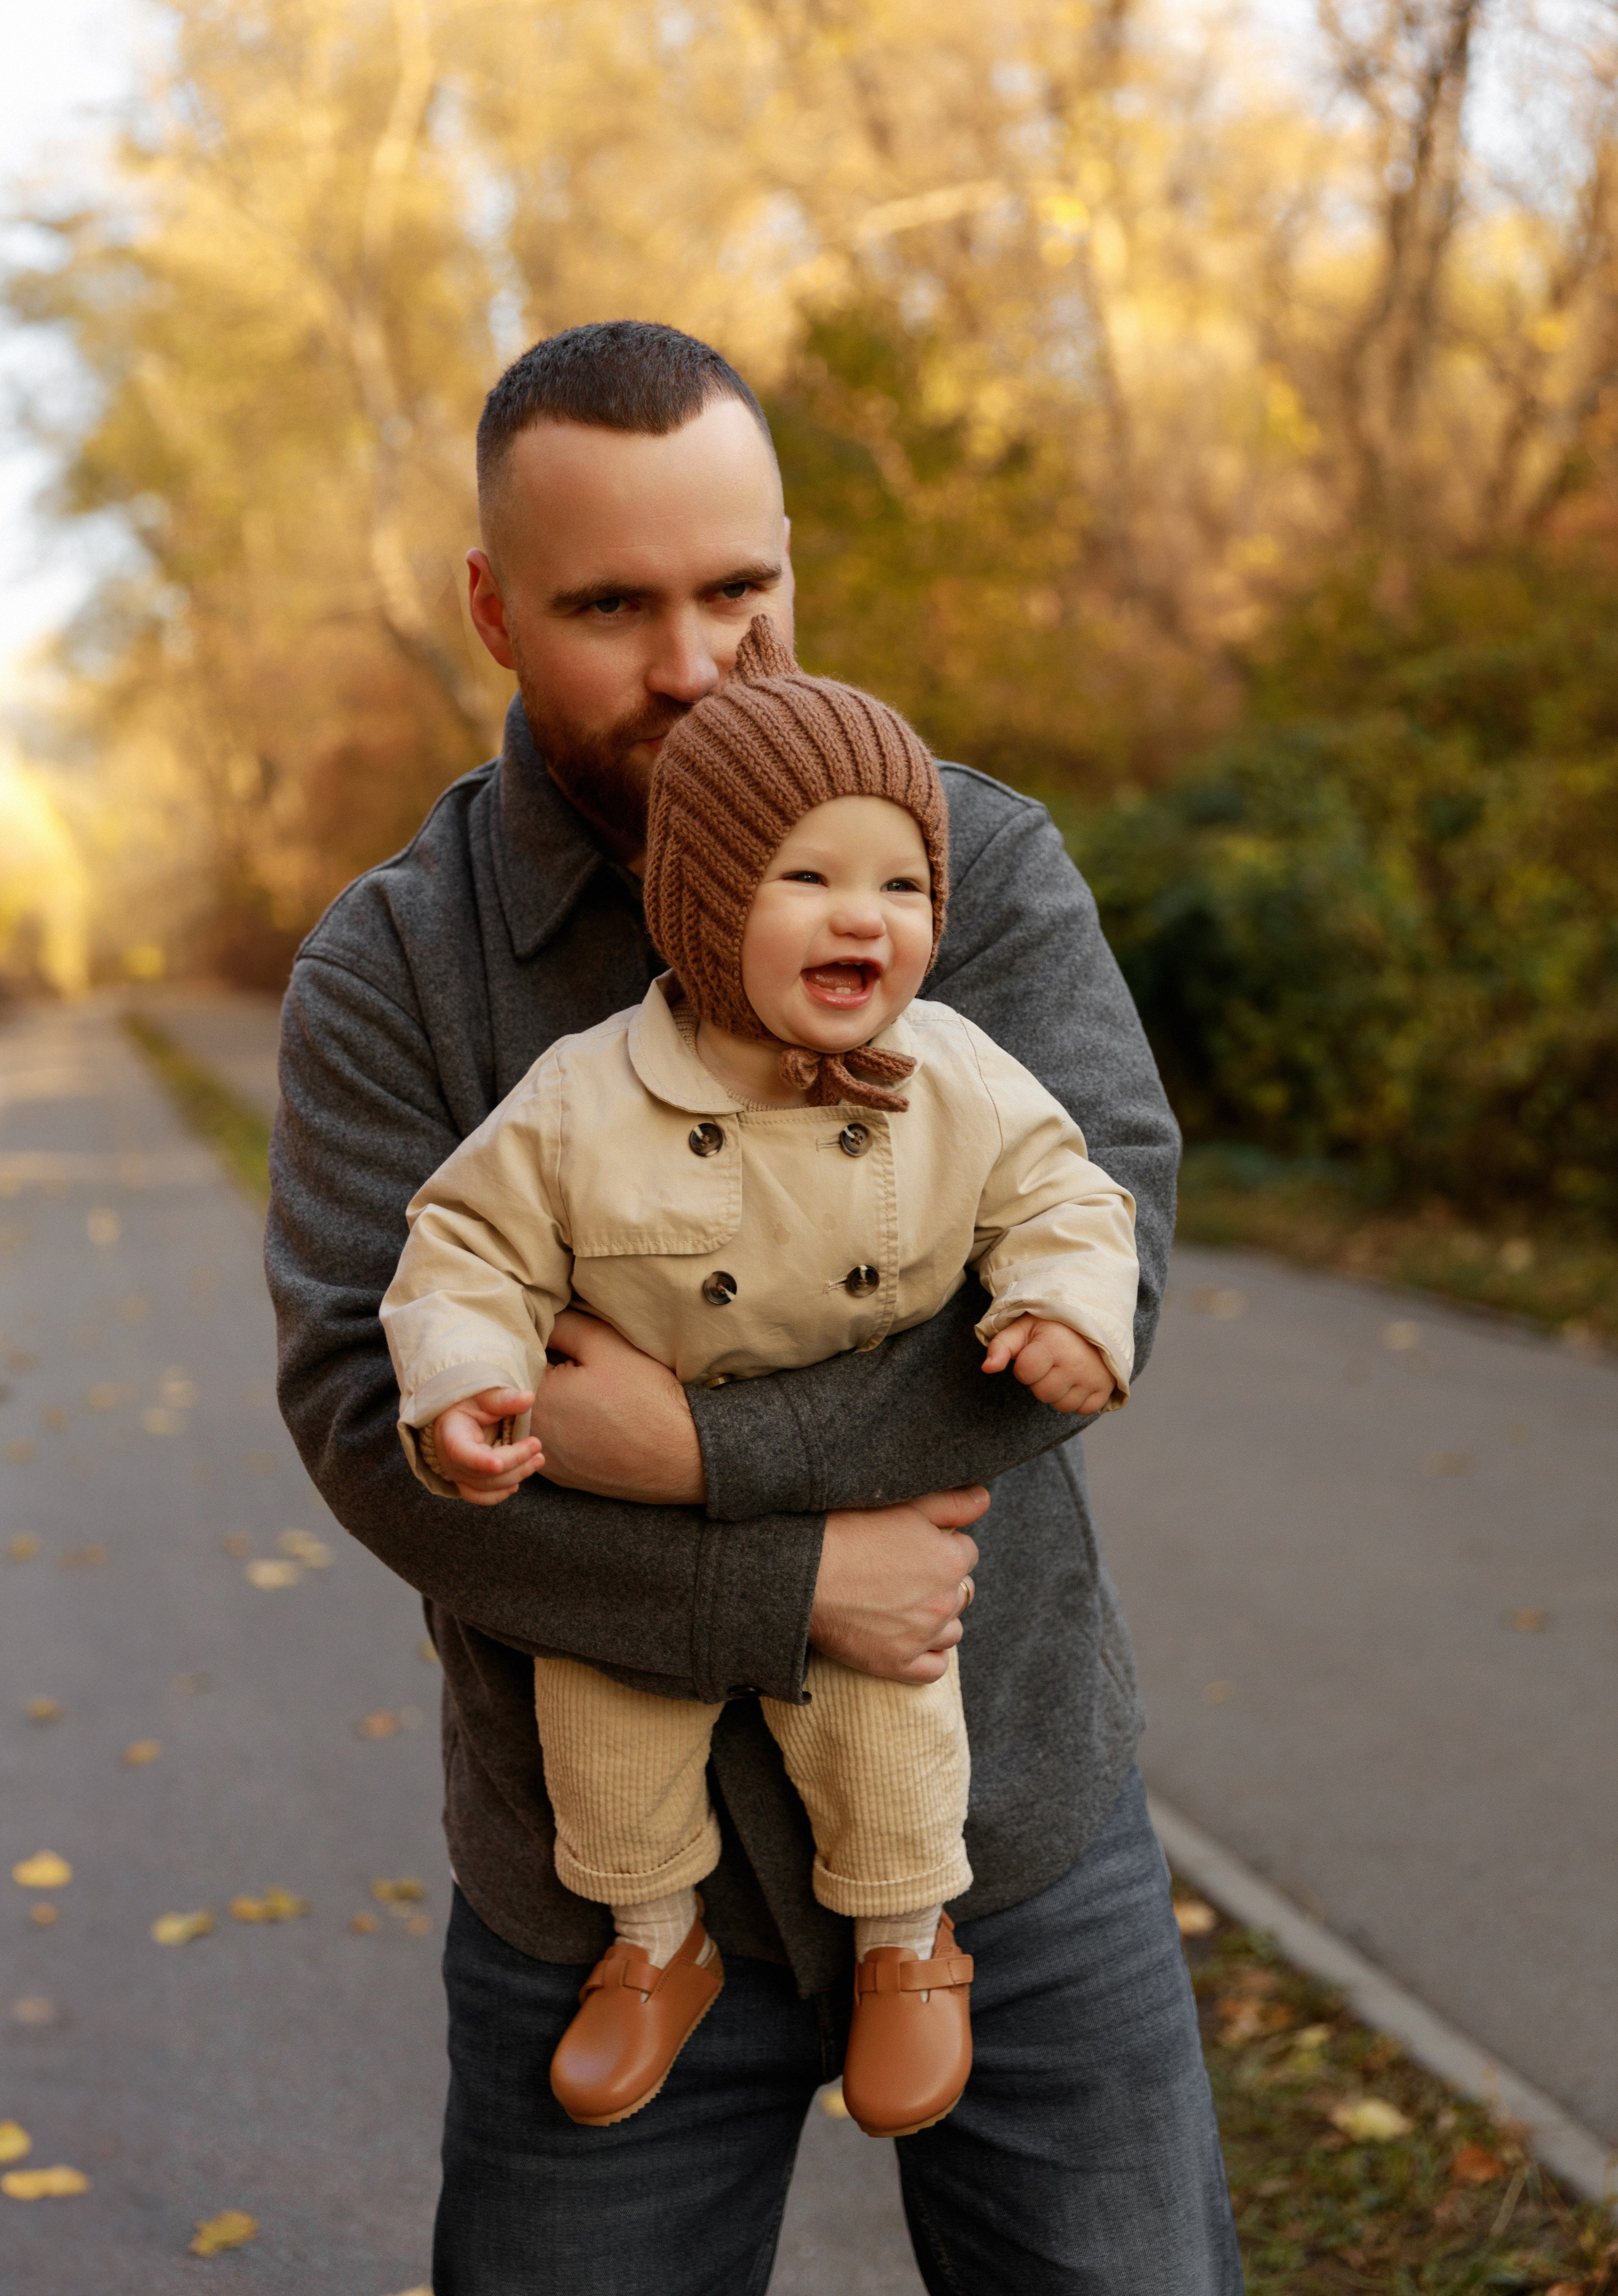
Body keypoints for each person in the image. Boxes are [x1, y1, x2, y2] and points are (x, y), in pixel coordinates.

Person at [267, 319, 1243, 2294]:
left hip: (1013, 1841)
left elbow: (1093, 1261)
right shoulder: (398, 968)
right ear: (492, 607)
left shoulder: (968, 868)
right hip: (593, 1892)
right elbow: (380, 1424)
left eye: (739, 590)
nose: (697, 660)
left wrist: (697, 1449)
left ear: (794, 563)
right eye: (613, 604)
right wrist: (788, 1581)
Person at [379, 615, 1140, 2142]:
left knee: (887, 1721)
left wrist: (1067, 1306)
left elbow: (1073, 1189)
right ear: (709, 900)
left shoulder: (954, 1072)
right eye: (807, 878)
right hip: (636, 1549)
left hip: (873, 1518)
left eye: (901, 884)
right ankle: (651, 1943)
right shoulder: (592, 1091)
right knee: (600, 1717)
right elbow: (466, 1239)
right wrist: (459, 1379)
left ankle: (909, 1940)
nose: (864, 917)